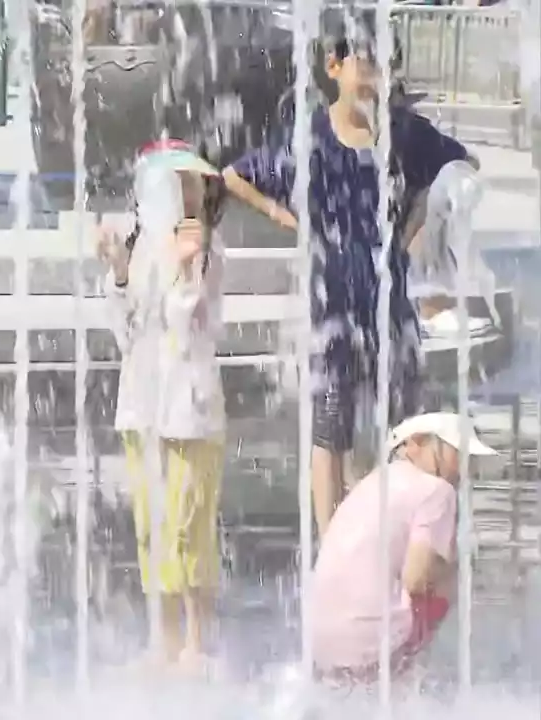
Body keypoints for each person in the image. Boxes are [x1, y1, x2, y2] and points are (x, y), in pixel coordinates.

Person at [222, 19, 478, 536]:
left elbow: (463, 163)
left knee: (403, 422)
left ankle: (395, 531)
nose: (375, 75)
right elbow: (234, 176)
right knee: (331, 426)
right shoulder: (311, 136)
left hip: (390, 302)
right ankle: (333, 541)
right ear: (333, 66)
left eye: (384, 63)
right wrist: (286, 219)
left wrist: (421, 214)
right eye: (364, 61)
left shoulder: (403, 132)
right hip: (334, 301)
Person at [98, 140, 228, 670]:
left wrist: (186, 270)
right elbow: (126, 334)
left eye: (194, 182)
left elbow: (189, 323)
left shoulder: (210, 252)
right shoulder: (143, 249)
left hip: (190, 412)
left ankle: (196, 640)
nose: (188, 192)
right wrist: (121, 271)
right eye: (176, 183)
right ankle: (164, 637)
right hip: (142, 406)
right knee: (152, 525)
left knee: (189, 524)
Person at [309, 412, 495, 684]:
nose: (465, 469)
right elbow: (416, 578)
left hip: (320, 643)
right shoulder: (438, 491)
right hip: (369, 645)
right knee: (452, 576)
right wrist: (456, 566)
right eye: (459, 453)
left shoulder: (375, 480)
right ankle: (401, 681)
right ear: (416, 443)